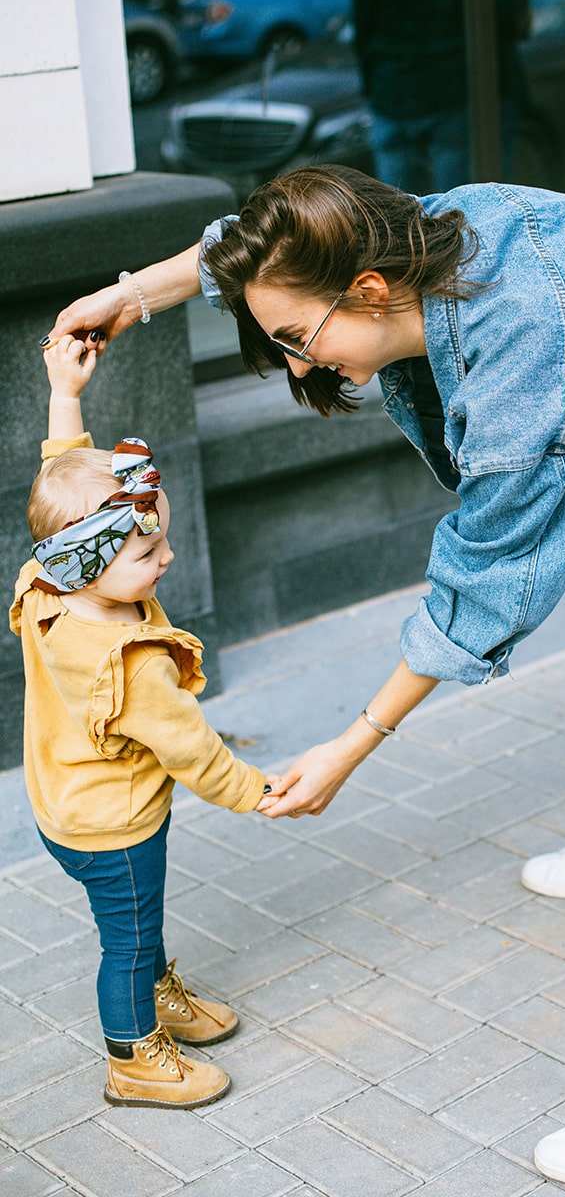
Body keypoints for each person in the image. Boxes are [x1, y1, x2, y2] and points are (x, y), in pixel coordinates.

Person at [47, 165, 565, 1184]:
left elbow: (490, 577)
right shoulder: (409, 239)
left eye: (297, 341)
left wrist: (355, 740)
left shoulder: (528, 359)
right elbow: (251, 242)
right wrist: (133, 296)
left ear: (368, 294)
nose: (295, 364)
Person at [11, 336, 280, 1111]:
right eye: (147, 549)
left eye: (160, 537)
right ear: (89, 564)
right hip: (115, 824)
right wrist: (259, 791)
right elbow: (193, 747)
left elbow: (61, 475)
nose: (166, 556)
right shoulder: (130, 658)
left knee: (137, 919)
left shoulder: (47, 579)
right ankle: (133, 1059)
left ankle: (161, 998)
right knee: (126, 940)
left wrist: (66, 392)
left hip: (64, 805)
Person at [351, 0, 531, 192]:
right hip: (456, 93)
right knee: (463, 207)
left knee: (399, 209)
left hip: (394, 90)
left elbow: (363, 27)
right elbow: (509, 20)